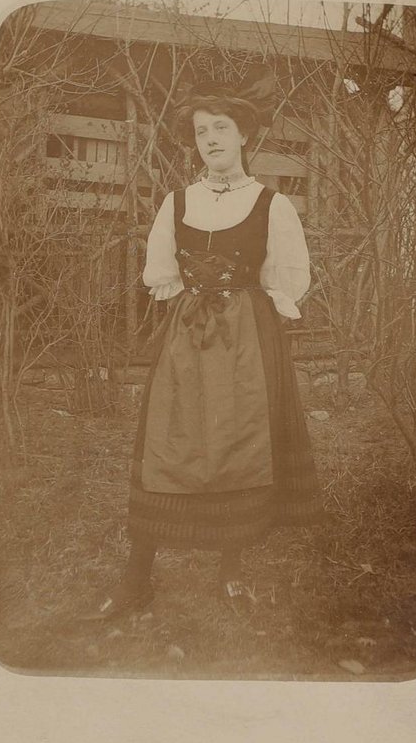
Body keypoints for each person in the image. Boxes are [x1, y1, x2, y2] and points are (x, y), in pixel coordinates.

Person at [85, 65, 321, 620]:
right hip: (187, 338)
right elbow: (162, 275)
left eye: (220, 128)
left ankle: (231, 568)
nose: (210, 140)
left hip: (248, 340)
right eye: (200, 132)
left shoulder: (272, 205)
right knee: (170, 442)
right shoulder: (176, 202)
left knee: (239, 441)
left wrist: (247, 314)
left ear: (244, 134)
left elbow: (284, 280)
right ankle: (136, 578)